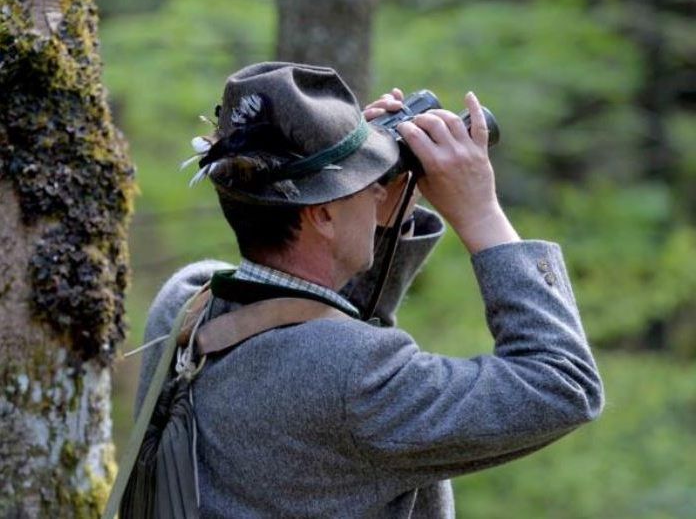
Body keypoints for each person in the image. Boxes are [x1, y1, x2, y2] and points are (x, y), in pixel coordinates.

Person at [135, 62, 603, 518]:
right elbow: (562, 384)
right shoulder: (353, 378)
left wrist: (371, 210)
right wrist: (481, 214)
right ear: (321, 216)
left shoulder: (185, 303)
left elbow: (315, 322)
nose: (379, 191)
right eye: (366, 185)